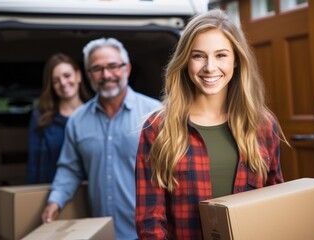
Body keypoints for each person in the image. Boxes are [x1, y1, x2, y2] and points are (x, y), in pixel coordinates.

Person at [135, 9, 288, 239]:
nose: (209, 67)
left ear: (236, 60)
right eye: (198, 56)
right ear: (185, 61)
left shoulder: (262, 124)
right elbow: (150, 221)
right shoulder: (157, 128)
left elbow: (276, 204)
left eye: (221, 55)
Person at [41, 38, 162, 240]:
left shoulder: (155, 114)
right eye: (97, 69)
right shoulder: (77, 121)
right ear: (88, 75)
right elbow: (70, 169)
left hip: (148, 232)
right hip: (100, 232)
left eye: (113, 66)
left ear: (127, 69)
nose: (106, 75)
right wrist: (55, 201)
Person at [27, 53, 91, 184]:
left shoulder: (95, 112)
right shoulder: (41, 117)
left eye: (67, 76)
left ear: (78, 75)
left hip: (91, 192)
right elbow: (34, 165)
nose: (63, 83)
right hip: (53, 192)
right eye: (56, 81)